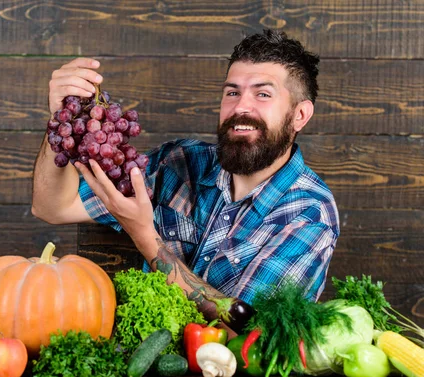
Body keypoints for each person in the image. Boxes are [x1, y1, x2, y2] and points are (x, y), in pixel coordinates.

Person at [32, 29, 339, 326]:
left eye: (263, 94)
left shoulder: (309, 214)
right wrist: (61, 121)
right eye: (233, 92)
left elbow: (249, 337)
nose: (241, 106)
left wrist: (145, 238)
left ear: (299, 115)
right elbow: (52, 207)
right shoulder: (180, 162)